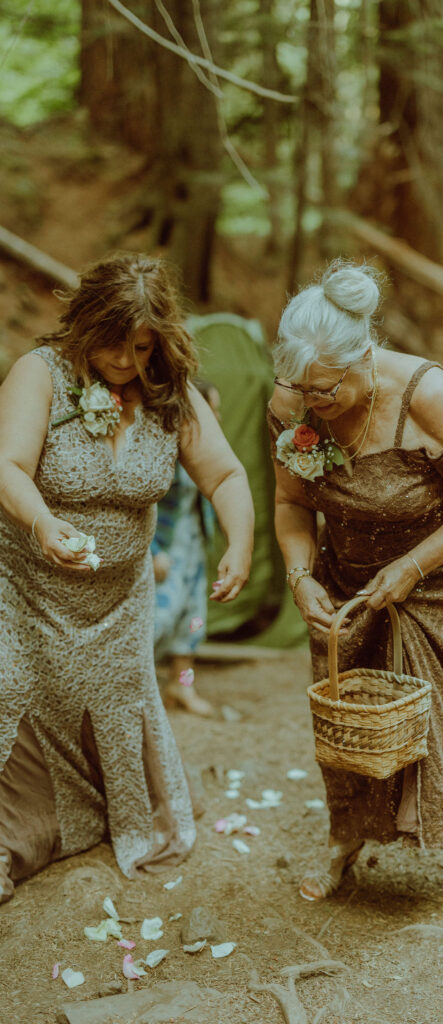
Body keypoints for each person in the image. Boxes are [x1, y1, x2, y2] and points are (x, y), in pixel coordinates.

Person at [0, 253, 254, 903]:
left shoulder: (170, 392)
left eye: (140, 346)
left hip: (117, 606)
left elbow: (224, 475)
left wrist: (240, 542)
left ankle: (98, 812)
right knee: (10, 687)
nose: (124, 361)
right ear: (85, 324)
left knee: (111, 708)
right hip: (25, 590)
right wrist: (44, 526)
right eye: (112, 343)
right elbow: (8, 466)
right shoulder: (41, 374)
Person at [268, 261, 443, 919]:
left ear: (363, 361)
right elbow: (291, 504)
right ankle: (347, 835)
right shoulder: (293, 403)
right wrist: (299, 575)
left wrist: (413, 566)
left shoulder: (427, 396)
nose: (308, 404)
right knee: (347, 712)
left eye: (324, 390)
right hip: (348, 577)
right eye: (298, 388)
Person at [152, 380, 220, 717]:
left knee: (192, 622)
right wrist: (150, 550)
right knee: (158, 619)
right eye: (212, 410)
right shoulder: (161, 454)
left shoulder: (205, 454)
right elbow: (139, 507)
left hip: (192, 547)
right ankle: (142, 690)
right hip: (166, 548)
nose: (218, 416)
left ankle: (182, 683)